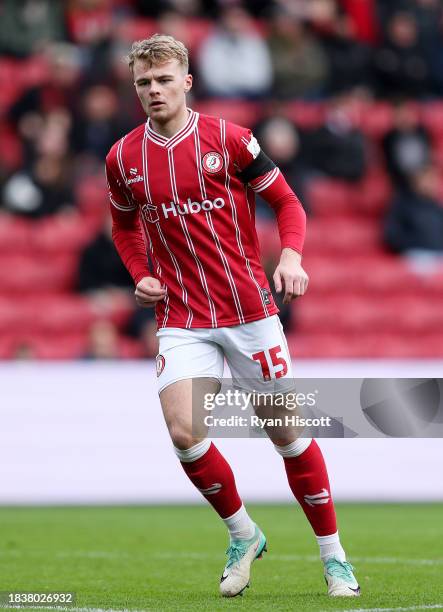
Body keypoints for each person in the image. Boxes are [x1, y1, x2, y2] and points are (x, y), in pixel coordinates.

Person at [105, 34, 360, 599]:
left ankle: (334, 555)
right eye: (144, 82)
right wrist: (138, 272)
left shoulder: (231, 140)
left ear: (187, 81)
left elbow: (288, 202)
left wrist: (290, 255)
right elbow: (124, 226)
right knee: (183, 430)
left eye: (164, 79)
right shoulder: (122, 158)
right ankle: (243, 533)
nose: (154, 90)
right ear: (135, 87)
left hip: (249, 310)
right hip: (182, 313)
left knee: (288, 435)